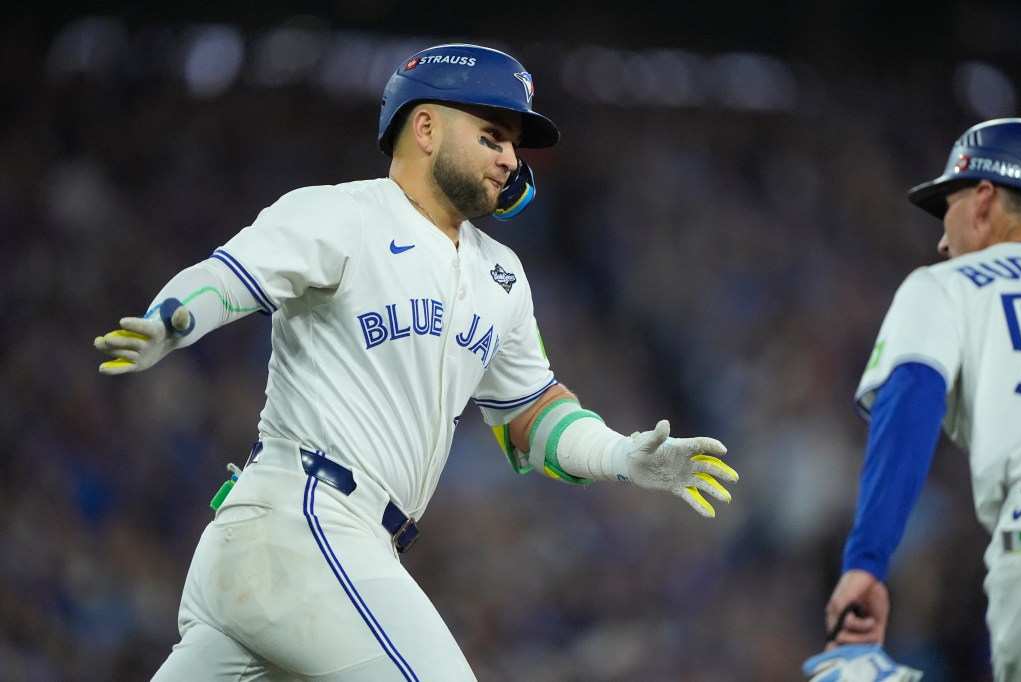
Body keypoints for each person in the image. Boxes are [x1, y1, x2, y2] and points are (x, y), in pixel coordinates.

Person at [93, 43, 739, 681]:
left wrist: (623, 456)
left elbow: (532, 415)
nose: (511, 157)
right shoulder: (343, 213)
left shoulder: (503, 276)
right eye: (492, 135)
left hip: (313, 550)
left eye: (514, 144)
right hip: (307, 520)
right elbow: (230, 279)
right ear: (426, 127)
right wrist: (171, 321)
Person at [804, 118, 1021, 682]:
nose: (943, 242)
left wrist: (866, 564)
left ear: (982, 201)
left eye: (946, 213)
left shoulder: (947, 285)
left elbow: (910, 407)